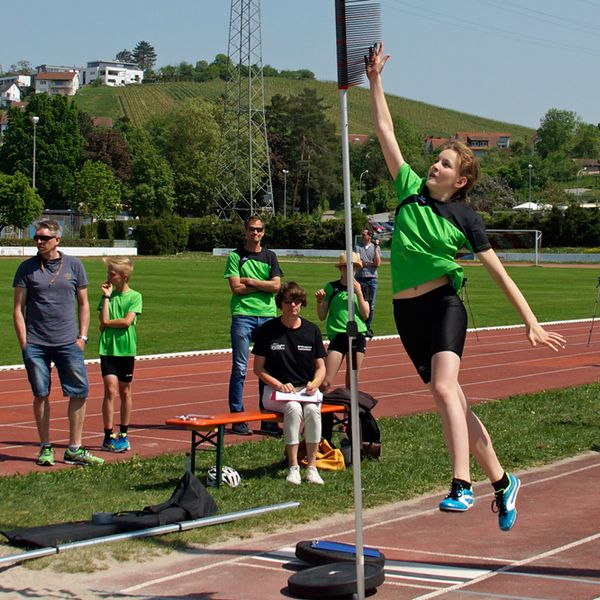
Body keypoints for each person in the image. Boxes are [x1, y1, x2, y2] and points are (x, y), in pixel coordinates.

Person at [366, 42, 566, 531]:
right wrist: (375, 80)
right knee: (452, 397)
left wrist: (531, 322)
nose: (436, 165)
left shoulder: (466, 218)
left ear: (460, 181)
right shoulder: (407, 189)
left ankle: (461, 484)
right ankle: (502, 481)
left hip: (443, 305)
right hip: (405, 314)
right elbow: (385, 131)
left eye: (447, 165)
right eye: (437, 160)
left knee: (443, 387)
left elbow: (500, 273)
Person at [12, 220, 104, 467]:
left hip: (68, 342)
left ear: (57, 240)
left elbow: (83, 303)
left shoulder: (74, 265)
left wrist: (82, 337)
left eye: (44, 238)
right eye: (36, 238)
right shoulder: (26, 268)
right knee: (41, 394)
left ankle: (74, 448)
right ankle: (45, 447)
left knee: (79, 392)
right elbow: (18, 309)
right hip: (37, 344)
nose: (39, 242)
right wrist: (25, 343)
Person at [252, 282, 327, 484]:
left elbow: (321, 367)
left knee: (312, 410)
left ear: (302, 304)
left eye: (296, 301)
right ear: (280, 304)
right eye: (287, 301)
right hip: (274, 392)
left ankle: (312, 467)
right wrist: (278, 385)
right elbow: (258, 369)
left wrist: (315, 383)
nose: (292, 305)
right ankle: (293, 467)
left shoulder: (312, 330)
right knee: (293, 408)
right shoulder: (268, 330)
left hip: (305, 390)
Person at [224, 216, 283, 436]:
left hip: (267, 316)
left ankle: (267, 418)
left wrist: (249, 281)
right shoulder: (236, 256)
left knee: (265, 370)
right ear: (245, 231)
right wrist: (263, 286)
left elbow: (276, 286)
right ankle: (238, 418)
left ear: (263, 232)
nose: (255, 233)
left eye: (259, 230)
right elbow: (236, 289)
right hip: (243, 316)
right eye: (251, 229)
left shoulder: (270, 256)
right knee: (240, 368)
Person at [98, 257, 143, 453]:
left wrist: (108, 323)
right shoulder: (107, 297)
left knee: (125, 391)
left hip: (126, 349)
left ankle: (124, 432)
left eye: (112, 274)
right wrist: (107, 297)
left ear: (124, 277)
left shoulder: (135, 297)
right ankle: (108, 434)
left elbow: (126, 322)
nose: (108, 277)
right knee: (110, 390)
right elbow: (103, 320)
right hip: (108, 349)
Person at [315, 252, 370, 391]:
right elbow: (322, 316)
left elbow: (366, 315)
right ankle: (323, 411)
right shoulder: (331, 287)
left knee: (352, 382)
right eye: (345, 267)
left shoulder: (363, 288)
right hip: (338, 336)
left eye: (353, 267)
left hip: (357, 335)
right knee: (325, 382)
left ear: (357, 269)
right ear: (340, 269)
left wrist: (359, 293)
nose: (349, 270)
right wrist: (319, 301)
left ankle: (350, 411)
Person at [354, 228, 381, 338]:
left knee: (371, 305)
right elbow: (358, 262)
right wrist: (370, 263)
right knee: (359, 303)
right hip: (360, 278)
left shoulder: (376, 248)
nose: (362, 236)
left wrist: (375, 248)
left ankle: (367, 327)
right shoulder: (357, 247)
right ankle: (360, 325)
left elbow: (377, 263)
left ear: (369, 236)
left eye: (364, 234)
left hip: (372, 279)